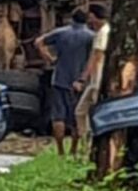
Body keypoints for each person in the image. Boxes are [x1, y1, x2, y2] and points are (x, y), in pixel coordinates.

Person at [34, 10, 95, 156]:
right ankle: (74, 149)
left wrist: (48, 57)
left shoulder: (61, 33)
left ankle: (60, 150)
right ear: (86, 20)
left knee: (58, 116)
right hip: (80, 82)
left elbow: (38, 42)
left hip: (59, 79)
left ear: (71, 19)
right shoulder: (91, 36)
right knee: (76, 116)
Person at [73, 4, 110, 140]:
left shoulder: (103, 33)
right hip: (94, 80)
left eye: (90, 17)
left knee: (91, 112)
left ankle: (91, 141)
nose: (88, 21)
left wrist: (83, 78)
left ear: (94, 17)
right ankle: (85, 142)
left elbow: (96, 57)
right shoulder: (101, 32)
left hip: (98, 80)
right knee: (80, 112)